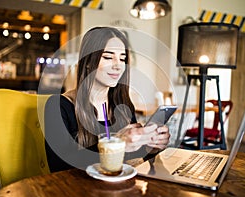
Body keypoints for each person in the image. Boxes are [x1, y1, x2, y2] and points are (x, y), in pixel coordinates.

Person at [44, 26, 170, 173]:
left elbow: (131, 156)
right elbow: (58, 166)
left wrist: (150, 147)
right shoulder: (58, 106)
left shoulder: (124, 106)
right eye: (108, 57)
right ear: (89, 61)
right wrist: (117, 143)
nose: (118, 65)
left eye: (122, 59)